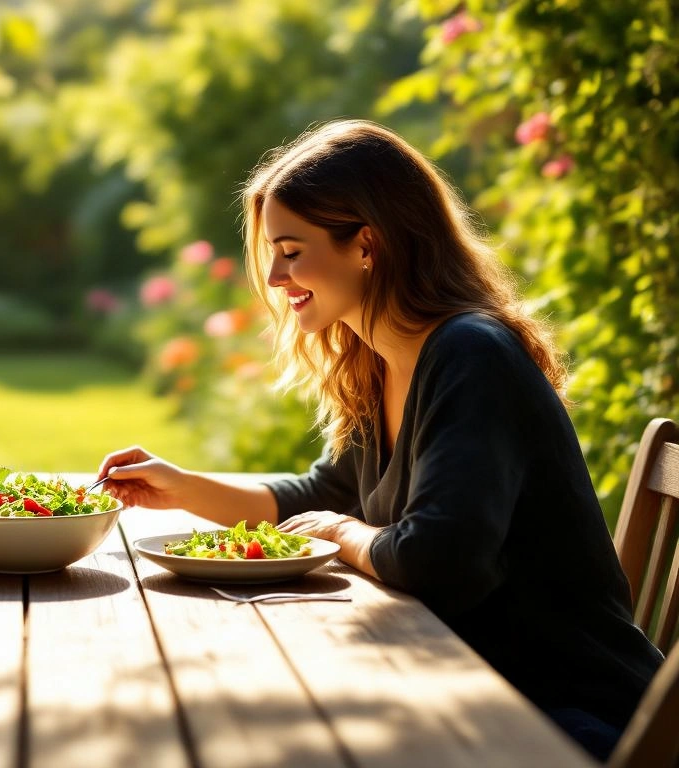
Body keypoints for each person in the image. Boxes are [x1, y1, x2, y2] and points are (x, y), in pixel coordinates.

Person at [96, 119, 662, 760]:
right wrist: (183, 488)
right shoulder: (383, 361)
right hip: (461, 691)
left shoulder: (470, 355)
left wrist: (344, 533)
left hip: (566, 720)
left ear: (366, 245)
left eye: (291, 249)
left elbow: (438, 562)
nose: (277, 279)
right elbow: (320, 493)